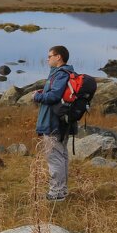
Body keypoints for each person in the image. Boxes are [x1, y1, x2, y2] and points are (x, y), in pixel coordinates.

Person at [34, 45, 75, 201]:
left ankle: (56, 193)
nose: (48, 59)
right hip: (62, 122)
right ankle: (62, 191)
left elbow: (53, 97)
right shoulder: (66, 73)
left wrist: (36, 97)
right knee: (62, 156)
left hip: (53, 123)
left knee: (54, 157)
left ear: (59, 57)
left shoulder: (60, 74)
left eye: (50, 56)